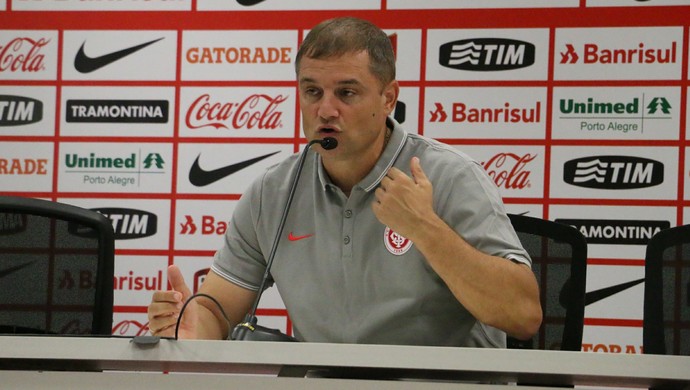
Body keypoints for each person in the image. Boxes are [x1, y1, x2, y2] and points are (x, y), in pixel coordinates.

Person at [148, 16, 542, 347]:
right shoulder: (273, 192)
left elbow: (524, 316)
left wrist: (425, 227)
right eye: (312, 91)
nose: (326, 110)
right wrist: (189, 326)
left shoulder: (449, 176)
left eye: (346, 93)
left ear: (389, 99)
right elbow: (215, 311)